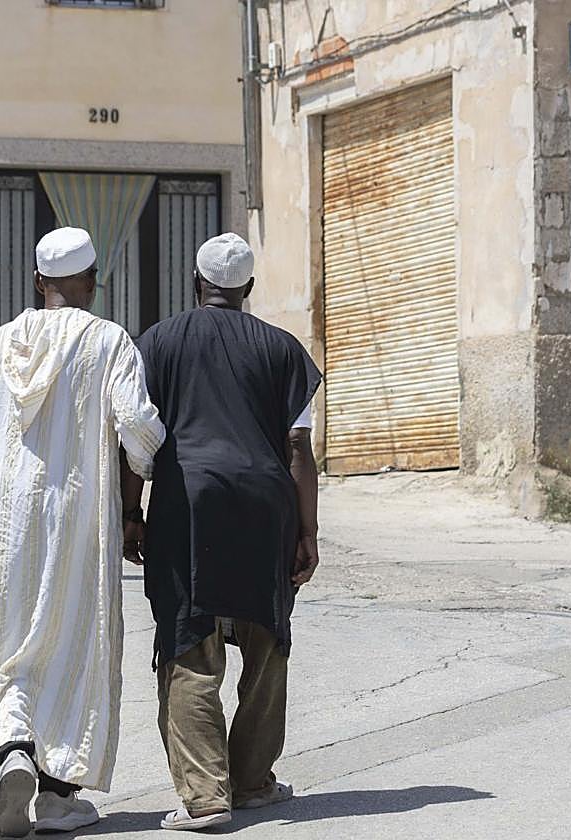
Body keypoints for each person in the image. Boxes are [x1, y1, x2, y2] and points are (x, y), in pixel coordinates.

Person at [0, 227, 166, 837]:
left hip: (2, 524)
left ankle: (12, 754)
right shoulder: (109, 342)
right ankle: (57, 798)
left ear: (37, 281)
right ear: (93, 280)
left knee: (5, 645)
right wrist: (151, 465)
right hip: (76, 520)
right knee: (68, 643)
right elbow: (137, 427)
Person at [128, 232, 322, 832]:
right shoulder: (284, 349)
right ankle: (254, 781)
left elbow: (138, 437)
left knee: (190, 640)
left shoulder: (157, 343)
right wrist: (307, 530)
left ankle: (207, 796)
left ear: (196, 281)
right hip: (267, 505)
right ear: (249, 290)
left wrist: (132, 512)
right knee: (267, 641)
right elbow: (298, 446)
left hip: (189, 501)